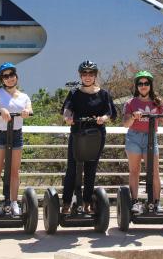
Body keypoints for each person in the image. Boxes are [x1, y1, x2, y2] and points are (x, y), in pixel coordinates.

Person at [61, 60, 117, 214]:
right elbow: (67, 108)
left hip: (96, 135)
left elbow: (111, 112)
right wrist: (68, 117)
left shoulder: (103, 94)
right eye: (84, 73)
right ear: (80, 75)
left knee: (91, 169)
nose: (87, 76)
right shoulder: (74, 92)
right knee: (72, 168)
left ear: (95, 75)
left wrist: (103, 118)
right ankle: (66, 203)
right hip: (78, 133)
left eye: (90, 73)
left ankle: (87, 202)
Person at [122, 71, 163, 213]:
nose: (143, 86)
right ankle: (134, 202)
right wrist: (133, 116)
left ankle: (156, 203)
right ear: (136, 86)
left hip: (152, 137)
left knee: (154, 172)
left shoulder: (157, 102)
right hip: (134, 138)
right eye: (140, 84)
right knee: (134, 171)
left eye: (146, 83)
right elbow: (126, 124)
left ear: (150, 85)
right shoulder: (130, 103)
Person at [0, 62, 32, 216]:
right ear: (2, 79)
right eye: (6, 76)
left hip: (16, 135)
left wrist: (26, 112)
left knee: (14, 171)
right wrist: (1, 109)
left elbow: (29, 110)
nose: (9, 78)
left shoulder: (24, 96)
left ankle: (14, 202)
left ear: (16, 76)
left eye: (12, 75)